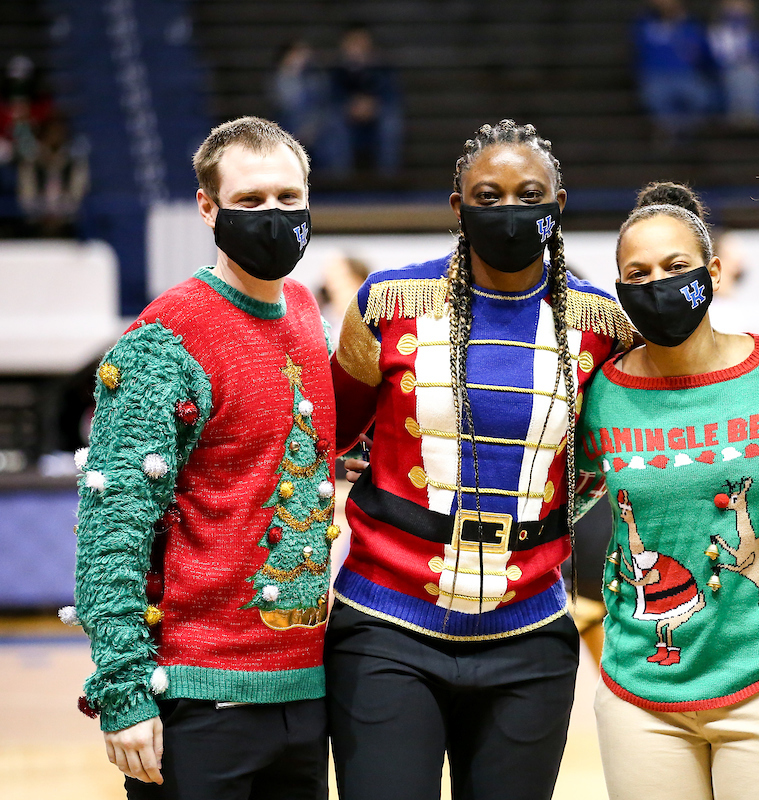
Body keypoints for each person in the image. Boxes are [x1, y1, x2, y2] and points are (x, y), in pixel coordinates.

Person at [326, 119, 632, 800]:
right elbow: (326, 435)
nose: (509, 209)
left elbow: (598, 463)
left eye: (529, 194)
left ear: (558, 205)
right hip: (385, 626)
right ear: (457, 207)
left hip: (531, 635)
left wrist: (539, 523)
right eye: (487, 195)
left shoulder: (603, 325)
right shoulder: (386, 305)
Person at [66, 116, 333, 799]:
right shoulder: (165, 337)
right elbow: (112, 529)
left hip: (304, 692)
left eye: (287, 197)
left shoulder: (305, 310)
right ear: (207, 208)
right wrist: (123, 692)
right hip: (196, 697)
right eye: (249, 202)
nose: (272, 216)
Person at [580, 181, 759, 799]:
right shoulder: (597, 395)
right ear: (621, 289)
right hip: (641, 695)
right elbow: (547, 488)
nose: (658, 282)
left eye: (676, 266)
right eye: (639, 272)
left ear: (712, 271)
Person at [632, 0, 716, 148]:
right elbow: (637, 53)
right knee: (656, 99)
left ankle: (681, 134)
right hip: (656, 76)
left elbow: (706, 55)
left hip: (686, 76)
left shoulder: (692, 25)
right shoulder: (644, 23)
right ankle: (672, 135)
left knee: (702, 98)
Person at [327, 25, 403, 175]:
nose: (357, 48)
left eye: (361, 42)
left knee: (391, 122)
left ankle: (388, 177)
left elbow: (391, 95)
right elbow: (331, 97)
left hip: (376, 119)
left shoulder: (382, 67)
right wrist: (350, 106)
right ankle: (339, 177)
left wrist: (372, 105)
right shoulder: (337, 70)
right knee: (333, 123)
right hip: (347, 120)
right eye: (353, 43)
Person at [708, 0, 759, 129]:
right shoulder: (716, 31)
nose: (738, 9)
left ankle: (756, 114)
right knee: (738, 75)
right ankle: (738, 114)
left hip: (749, 69)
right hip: (726, 70)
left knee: (757, 72)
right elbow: (716, 55)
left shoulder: (752, 31)